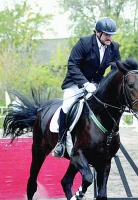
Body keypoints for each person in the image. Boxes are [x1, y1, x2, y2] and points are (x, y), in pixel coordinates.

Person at [52, 17, 121, 158]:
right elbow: (72, 65)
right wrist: (85, 83)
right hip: (76, 83)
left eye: (111, 34)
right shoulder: (84, 43)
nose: (109, 37)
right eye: (106, 34)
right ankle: (60, 143)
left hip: (96, 85)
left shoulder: (114, 47)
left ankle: (107, 142)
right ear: (97, 32)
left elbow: (116, 69)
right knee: (67, 106)